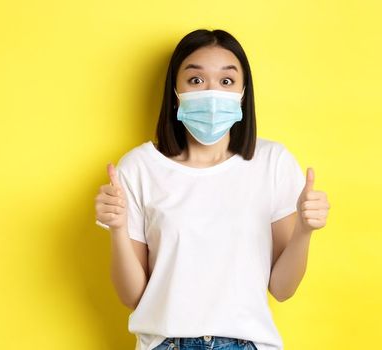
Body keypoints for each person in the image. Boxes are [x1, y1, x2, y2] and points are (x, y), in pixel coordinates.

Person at [94, 29, 330, 350]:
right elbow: (132, 296)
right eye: (195, 80)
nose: (212, 92)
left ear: (243, 92)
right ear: (175, 91)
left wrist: (304, 231)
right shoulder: (139, 168)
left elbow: (282, 289)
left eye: (226, 81)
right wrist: (118, 229)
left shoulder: (272, 162)